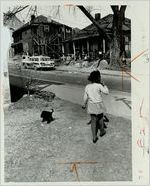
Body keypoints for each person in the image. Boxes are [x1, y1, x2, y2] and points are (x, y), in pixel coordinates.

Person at [82, 70, 109, 143]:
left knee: (93, 120)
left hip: (91, 105)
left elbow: (85, 96)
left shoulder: (87, 86)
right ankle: (102, 131)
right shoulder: (99, 85)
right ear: (98, 78)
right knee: (100, 118)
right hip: (99, 104)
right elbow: (106, 92)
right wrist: (104, 85)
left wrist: (84, 104)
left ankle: (94, 136)